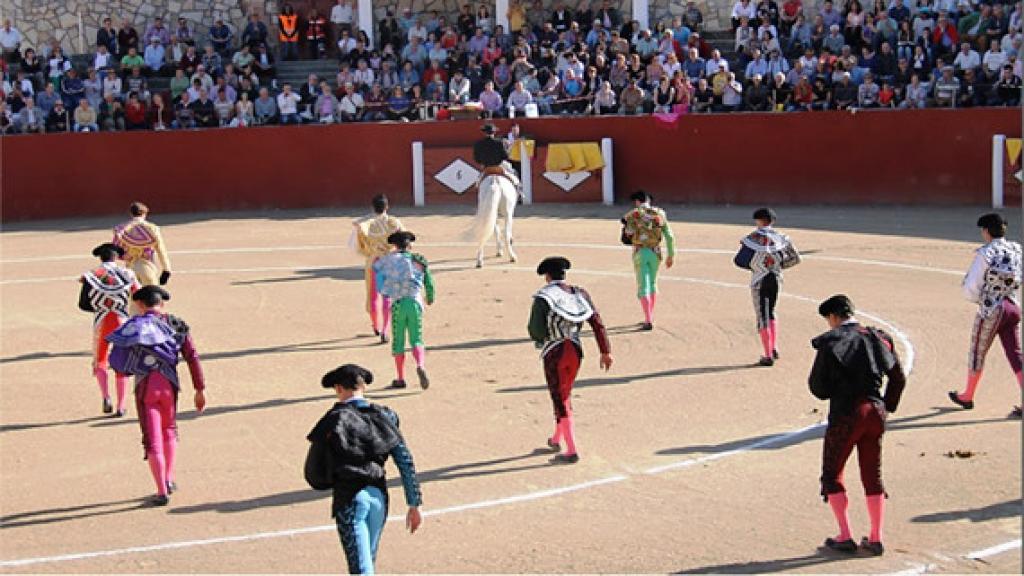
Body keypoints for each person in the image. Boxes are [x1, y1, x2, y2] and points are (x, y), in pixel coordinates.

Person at [809, 294, 906, 556]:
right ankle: (875, 537)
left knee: (832, 473)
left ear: (833, 317)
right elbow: (897, 377)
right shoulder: (879, 337)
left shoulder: (831, 342)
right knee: (872, 474)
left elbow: (817, 388)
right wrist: (887, 406)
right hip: (875, 412)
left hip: (847, 414)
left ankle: (845, 535)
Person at [304, 364, 422, 574]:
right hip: (379, 498)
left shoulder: (334, 420)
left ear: (339, 388)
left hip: (350, 498)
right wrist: (414, 503)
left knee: (361, 570)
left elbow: (314, 469)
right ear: (363, 387)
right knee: (367, 563)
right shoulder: (386, 417)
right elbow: (405, 460)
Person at [107, 286, 206, 506]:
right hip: (169, 386)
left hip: (146, 387)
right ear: (162, 303)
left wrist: (130, 368)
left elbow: (117, 361)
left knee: (152, 438)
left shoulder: (133, 326)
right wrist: (199, 389)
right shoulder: (176, 324)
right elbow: (192, 356)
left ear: (141, 305)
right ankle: (169, 479)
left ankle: (161, 490)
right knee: (169, 430)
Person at [527, 257, 612, 464]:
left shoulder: (543, 297)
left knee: (559, 397)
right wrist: (605, 351)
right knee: (564, 393)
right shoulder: (579, 293)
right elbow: (596, 321)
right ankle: (557, 438)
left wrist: (541, 339)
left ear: (547, 276)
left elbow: (535, 329)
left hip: (554, 351)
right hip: (575, 350)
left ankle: (571, 449)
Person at [950, 213, 1023, 417]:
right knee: (1016, 354)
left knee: (977, 352)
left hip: (992, 309)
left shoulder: (986, 253)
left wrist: (979, 300)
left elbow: (972, 286)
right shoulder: (1017, 249)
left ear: (986, 231)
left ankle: (967, 396)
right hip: (1013, 306)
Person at [79, 243, 140, 416]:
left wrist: (101, 307)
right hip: (121, 321)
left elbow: (83, 304)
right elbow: (139, 296)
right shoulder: (128, 274)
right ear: (116, 257)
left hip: (102, 321)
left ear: (101, 258)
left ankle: (106, 396)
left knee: (100, 359)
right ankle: (121, 405)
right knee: (121, 361)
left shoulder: (92, 276)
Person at [734, 208, 800, 366]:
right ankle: (773, 347)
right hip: (776, 279)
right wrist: (778, 266)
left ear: (757, 220)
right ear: (773, 221)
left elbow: (739, 260)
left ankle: (768, 354)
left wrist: (757, 268)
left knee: (762, 315)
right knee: (771, 312)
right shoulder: (782, 238)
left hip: (759, 280)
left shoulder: (751, 239)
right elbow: (795, 258)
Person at [373, 232, 436, 390]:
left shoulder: (387, 261)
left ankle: (400, 378)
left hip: (398, 304)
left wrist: (386, 291)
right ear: (409, 246)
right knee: (416, 338)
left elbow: (379, 280)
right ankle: (420, 365)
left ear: (395, 245)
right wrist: (429, 297)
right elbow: (429, 282)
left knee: (399, 341)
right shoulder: (418, 261)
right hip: (415, 303)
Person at [621, 191, 676, 330]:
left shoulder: (634, 214)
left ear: (638, 201)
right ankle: (650, 315)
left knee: (642, 285)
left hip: (640, 252)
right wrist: (671, 255)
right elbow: (669, 236)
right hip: (655, 252)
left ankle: (648, 319)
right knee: (652, 283)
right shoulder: (660, 213)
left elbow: (627, 233)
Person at [352, 195, 403, 341]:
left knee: (373, 296)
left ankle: (376, 326)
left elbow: (360, 246)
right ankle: (385, 330)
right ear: (387, 207)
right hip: (390, 262)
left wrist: (370, 251)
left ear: (373, 207)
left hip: (374, 262)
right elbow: (405, 241)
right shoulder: (394, 222)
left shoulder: (366, 224)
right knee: (387, 297)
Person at [112, 201, 172, 287]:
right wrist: (167, 269)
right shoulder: (152, 228)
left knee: (134, 298)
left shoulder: (121, 229)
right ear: (144, 214)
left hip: (130, 270)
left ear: (131, 214)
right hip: (147, 267)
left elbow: (115, 250)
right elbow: (161, 250)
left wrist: (124, 257)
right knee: (151, 298)